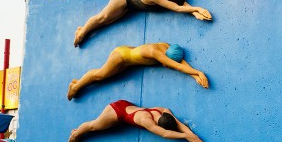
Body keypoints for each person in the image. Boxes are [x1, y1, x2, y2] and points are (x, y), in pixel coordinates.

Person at [73, 0, 212, 47]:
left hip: (131, 5)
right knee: (102, 18)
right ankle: (81, 32)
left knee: (107, 22)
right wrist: (198, 8)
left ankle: (84, 29)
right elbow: (176, 7)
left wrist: (194, 12)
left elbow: (181, 2)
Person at [67, 42, 208, 100]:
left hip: (126, 54)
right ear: (165, 58)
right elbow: (177, 66)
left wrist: (194, 74)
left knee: (102, 75)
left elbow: (179, 61)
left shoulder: (167, 47)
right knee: (100, 75)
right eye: (166, 64)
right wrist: (199, 73)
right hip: (121, 58)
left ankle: (79, 82)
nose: (166, 66)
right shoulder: (155, 53)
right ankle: (75, 87)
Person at [67, 100, 203, 142]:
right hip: (116, 111)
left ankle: (77, 133)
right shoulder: (146, 121)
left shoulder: (163, 110)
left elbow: (178, 124)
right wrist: (185, 136)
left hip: (126, 105)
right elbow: (165, 134)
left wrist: (192, 135)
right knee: (94, 126)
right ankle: (75, 134)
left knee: (112, 125)